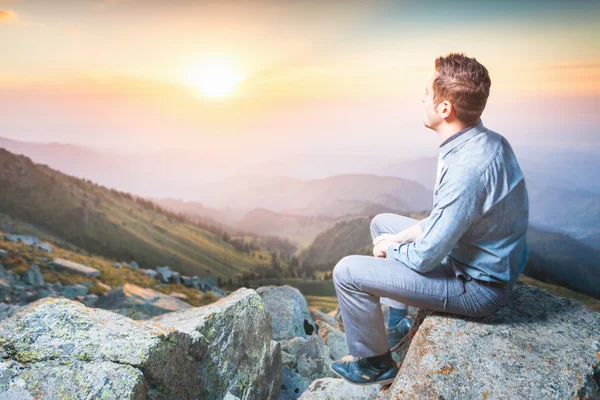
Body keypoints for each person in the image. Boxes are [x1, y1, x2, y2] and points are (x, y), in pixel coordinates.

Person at [329, 52, 529, 386]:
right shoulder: (484, 141)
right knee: (382, 224)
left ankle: (375, 363)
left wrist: (391, 251)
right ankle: (398, 323)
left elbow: (424, 258)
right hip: (471, 256)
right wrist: (399, 237)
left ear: (445, 109)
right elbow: (450, 218)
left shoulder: (467, 169)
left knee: (347, 272)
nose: (422, 98)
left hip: (477, 287)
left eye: (427, 93)